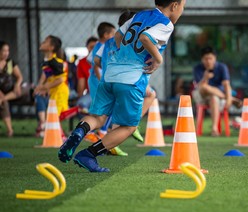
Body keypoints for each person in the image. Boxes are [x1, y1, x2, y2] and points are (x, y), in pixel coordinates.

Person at [58, 0, 186, 172]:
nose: (182, 10)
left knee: (98, 117)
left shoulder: (139, 15)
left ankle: (79, 132)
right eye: (183, 6)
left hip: (110, 73)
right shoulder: (166, 24)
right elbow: (145, 38)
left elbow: (117, 36)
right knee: (129, 126)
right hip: (131, 79)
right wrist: (158, 59)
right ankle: (88, 155)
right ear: (175, 6)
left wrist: (124, 56)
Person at [93, 9, 151, 146]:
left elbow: (95, 60)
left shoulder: (108, 42)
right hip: (128, 82)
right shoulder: (137, 42)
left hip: (107, 82)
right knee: (150, 95)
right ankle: (133, 124)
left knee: (105, 116)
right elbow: (143, 63)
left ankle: (91, 136)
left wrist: (106, 68)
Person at [193, 46, 241, 136]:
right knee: (205, 87)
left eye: (210, 58)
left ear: (215, 58)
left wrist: (227, 99)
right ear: (202, 59)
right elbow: (200, 87)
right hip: (201, 95)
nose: (208, 61)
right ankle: (232, 99)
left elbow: (226, 84)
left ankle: (214, 128)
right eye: (205, 59)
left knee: (213, 97)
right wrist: (205, 78)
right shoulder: (198, 68)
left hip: (217, 97)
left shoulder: (222, 67)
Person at [33, 35, 69, 136]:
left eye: (45, 42)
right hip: (54, 92)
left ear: (51, 47)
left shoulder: (56, 62)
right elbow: (46, 75)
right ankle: (58, 135)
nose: (42, 43)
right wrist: (40, 88)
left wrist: (43, 87)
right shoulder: (47, 61)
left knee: (55, 116)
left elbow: (61, 79)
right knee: (53, 116)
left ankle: (59, 135)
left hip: (60, 92)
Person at [0, 41, 23, 137]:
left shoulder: (10, 63)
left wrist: (17, 84)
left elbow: (19, 76)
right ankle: (10, 130)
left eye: (7, 50)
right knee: (3, 103)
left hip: (9, 91)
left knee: (18, 91)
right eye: (3, 50)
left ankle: (3, 98)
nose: (6, 53)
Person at [76, 36, 98, 111]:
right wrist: (80, 96)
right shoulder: (82, 62)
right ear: (87, 47)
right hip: (91, 94)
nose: (93, 49)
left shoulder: (106, 59)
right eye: (91, 47)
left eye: (96, 47)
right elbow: (81, 84)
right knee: (81, 106)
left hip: (105, 93)